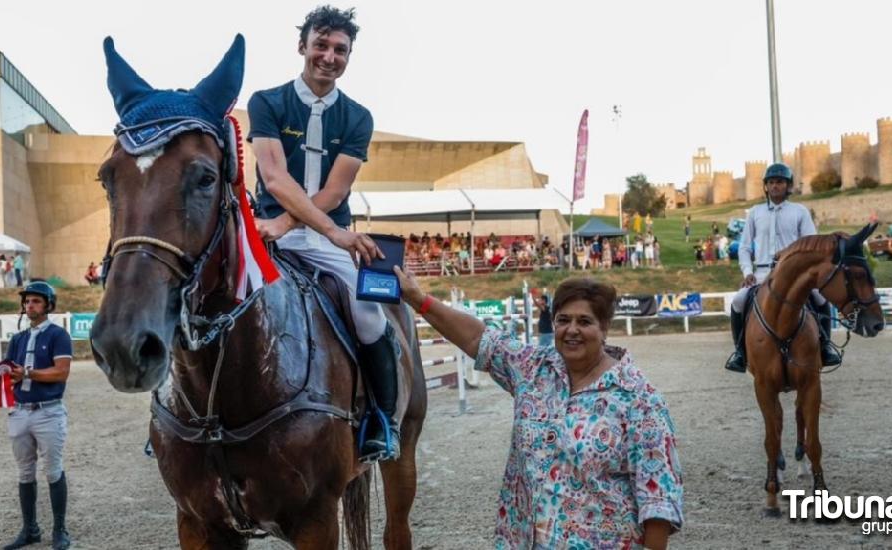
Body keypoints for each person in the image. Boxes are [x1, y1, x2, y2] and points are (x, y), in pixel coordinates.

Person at [394, 271, 683, 548]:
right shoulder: (532, 368)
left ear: (605, 327)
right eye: (563, 320)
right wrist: (420, 300)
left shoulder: (639, 399)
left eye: (584, 321)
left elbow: (658, 497)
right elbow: (477, 339)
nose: (572, 330)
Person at [247, 6, 401, 460]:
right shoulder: (267, 102)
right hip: (269, 231)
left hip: (320, 235)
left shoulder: (357, 117)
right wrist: (280, 225)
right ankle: (179, 414)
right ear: (303, 46)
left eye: (340, 49)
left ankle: (382, 421)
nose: (329, 56)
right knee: (206, 293)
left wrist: (300, 225)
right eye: (321, 45)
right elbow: (273, 178)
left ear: (349, 56)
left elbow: (335, 190)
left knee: (371, 313)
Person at [724, 162, 842, 373]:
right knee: (739, 301)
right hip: (762, 273)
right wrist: (747, 272)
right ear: (766, 187)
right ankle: (740, 353)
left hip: (794, 274)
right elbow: (743, 247)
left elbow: (811, 244)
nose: (775, 186)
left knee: (820, 298)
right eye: (771, 182)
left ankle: (825, 347)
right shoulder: (755, 213)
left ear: (788, 186)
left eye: (780, 182)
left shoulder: (799, 212)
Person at [2, 281, 73, 550]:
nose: (29, 305)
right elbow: (9, 375)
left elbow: (61, 372)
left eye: (35, 301)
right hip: (20, 412)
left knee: (53, 470)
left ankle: (59, 530)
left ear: (48, 305)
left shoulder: (58, 335)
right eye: (27, 301)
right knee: (25, 472)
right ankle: (30, 529)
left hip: (48, 412)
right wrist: (4, 378)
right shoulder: (17, 339)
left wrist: (28, 373)